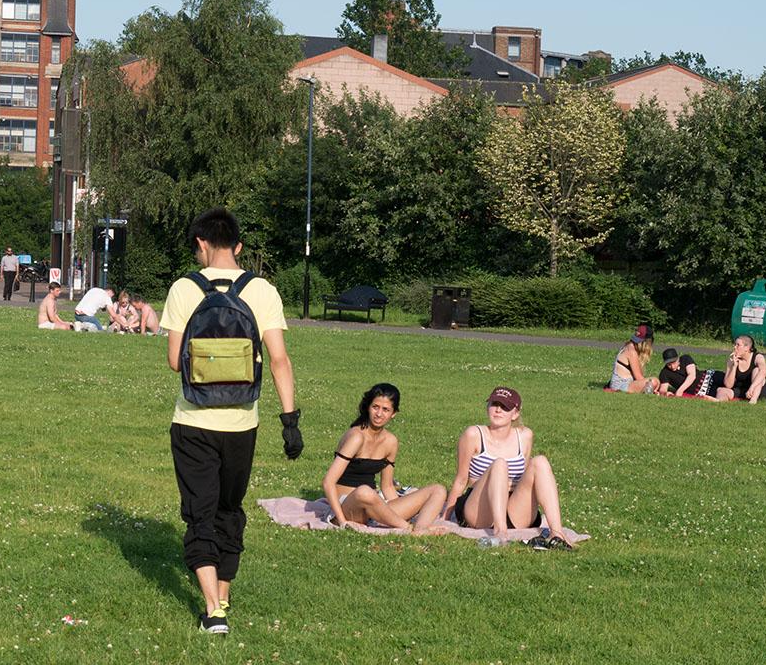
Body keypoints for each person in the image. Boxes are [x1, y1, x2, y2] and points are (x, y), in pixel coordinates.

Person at [161, 207, 299, 635]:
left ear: (202, 243)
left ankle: (212, 612)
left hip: (193, 421)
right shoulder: (263, 291)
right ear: (238, 245)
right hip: (243, 425)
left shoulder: (184, 288)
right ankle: (222, 594)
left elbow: (174, 362)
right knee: (229, 510)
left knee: (199, 513)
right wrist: (289, 420)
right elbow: (279, 359)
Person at [446, 386, 571, 549]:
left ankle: (557, 534)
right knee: (499, 464)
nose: (498, 410)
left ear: (515, 413)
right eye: (494, 404)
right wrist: (445, 517)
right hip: (480, 509)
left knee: (540, 461)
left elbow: (526, 478)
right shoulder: (473, 434)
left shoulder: (525, 436)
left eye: (505, 407)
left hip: (513, 509)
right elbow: (461, 480)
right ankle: (500, 533)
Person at [323, 384, 447, 534]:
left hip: (374, 509)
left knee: (438, 490)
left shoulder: (390, 441)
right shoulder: (356, 437)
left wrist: (395, 511)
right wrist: (342, 522)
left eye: (386, 410)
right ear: (368, 407)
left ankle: (421, 528)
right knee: (365, 491)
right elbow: (328, 482)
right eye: (375, 407)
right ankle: (409, 529)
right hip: (347, 507)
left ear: (393, 413)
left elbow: (387, 486)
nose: (379, 414)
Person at [715, 334, 766, 403]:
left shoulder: (758, 357)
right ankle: (718, 402)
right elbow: (728, 385)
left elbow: (763, 371)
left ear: (746, 348)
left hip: (758, 391)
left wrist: (752, 387)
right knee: (721, 390)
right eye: (735, 344)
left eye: (738, 345)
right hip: (743, 391)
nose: (734, 347)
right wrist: (734, 366)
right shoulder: (732, 360)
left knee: (756, 370)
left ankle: (753, 400)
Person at [655, 347, 723, 398]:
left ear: (678, 359)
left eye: (674, 362)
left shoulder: (685, 359)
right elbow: (663, 389)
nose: (672, 366)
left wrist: (680, 390)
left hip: (709, 377)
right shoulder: (664, 373)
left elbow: (692, 375)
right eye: (669, 364)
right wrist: (666, 393)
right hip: (702, 391)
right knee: (724, 393)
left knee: (727, 382)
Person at [610, 324, 658, 393]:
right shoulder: (631, 352)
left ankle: (650, 390)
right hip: (621, 385)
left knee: (654, 382)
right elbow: (639, 378)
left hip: (621, 384)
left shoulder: (628, 346)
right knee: (654, 381)